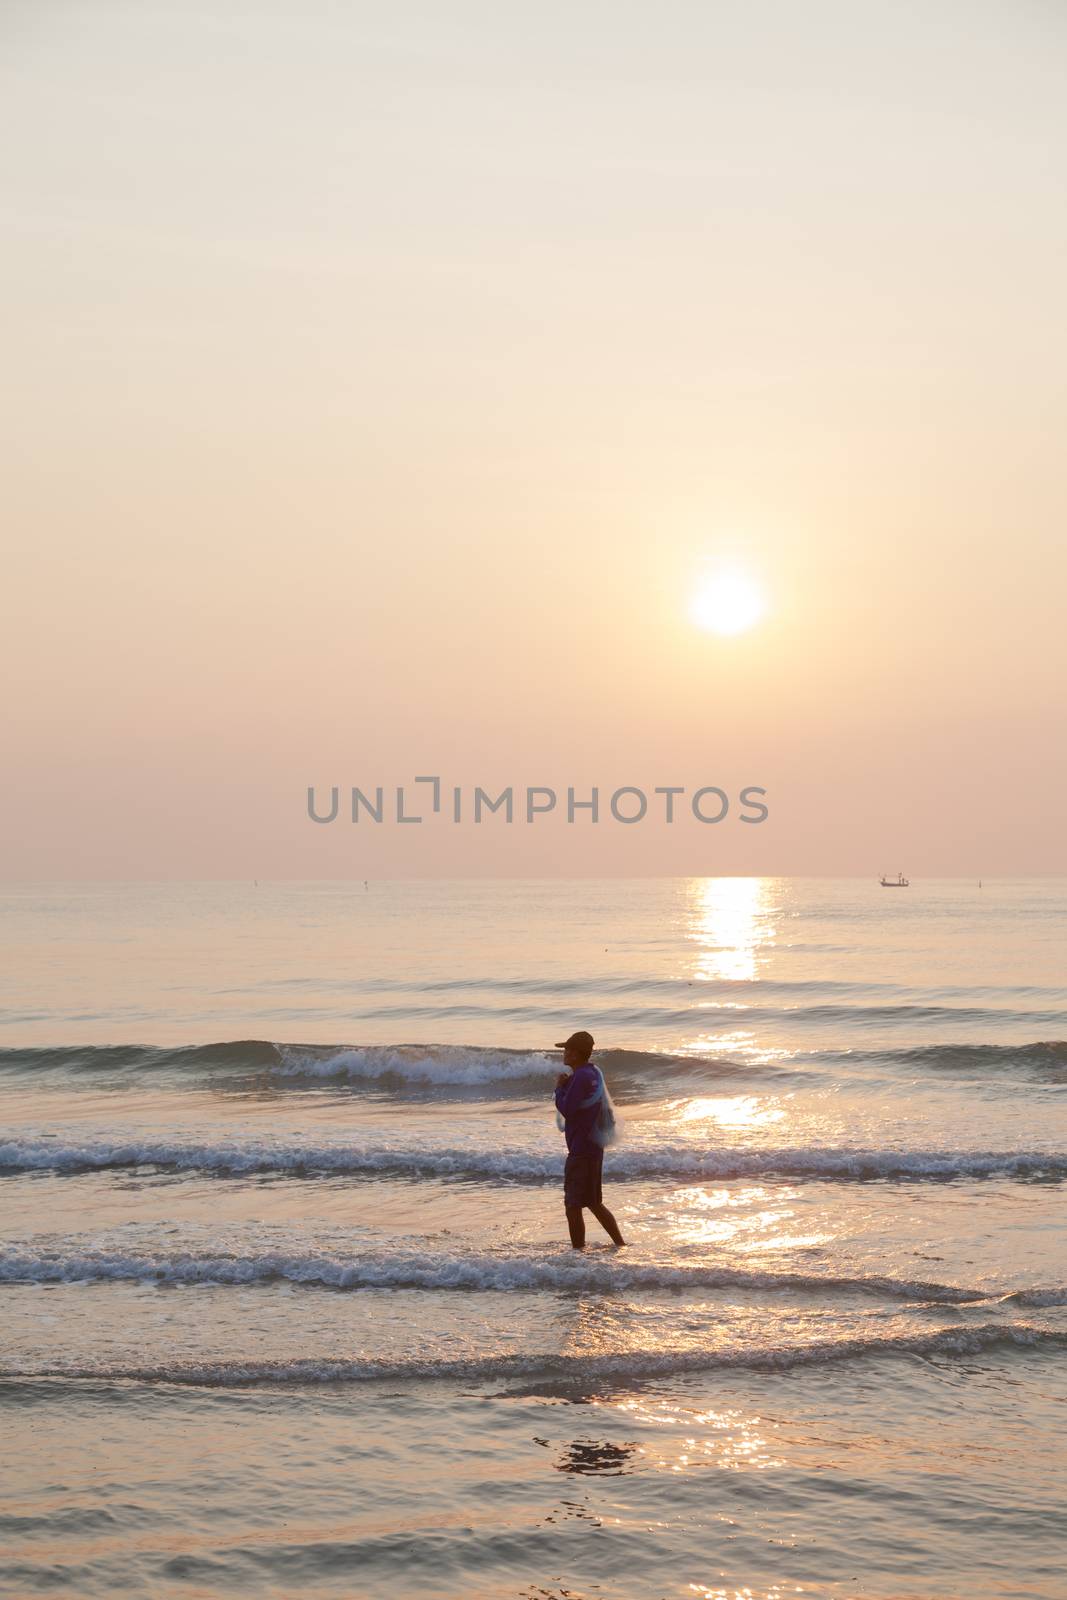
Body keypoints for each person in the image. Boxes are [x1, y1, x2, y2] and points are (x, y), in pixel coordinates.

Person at [553, 1030, 626, 1250]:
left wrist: (559, 1088)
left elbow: (568, 1109)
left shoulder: (581, 1076)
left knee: (572, 1205)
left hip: (581, 1149)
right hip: (594, 1146)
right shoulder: (594, 1073)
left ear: (575, 1054)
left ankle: (578, 1252)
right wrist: (567, 1086)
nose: (564, 1053)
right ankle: (620, 1244)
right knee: (594, 1203)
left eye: (567, 1049)